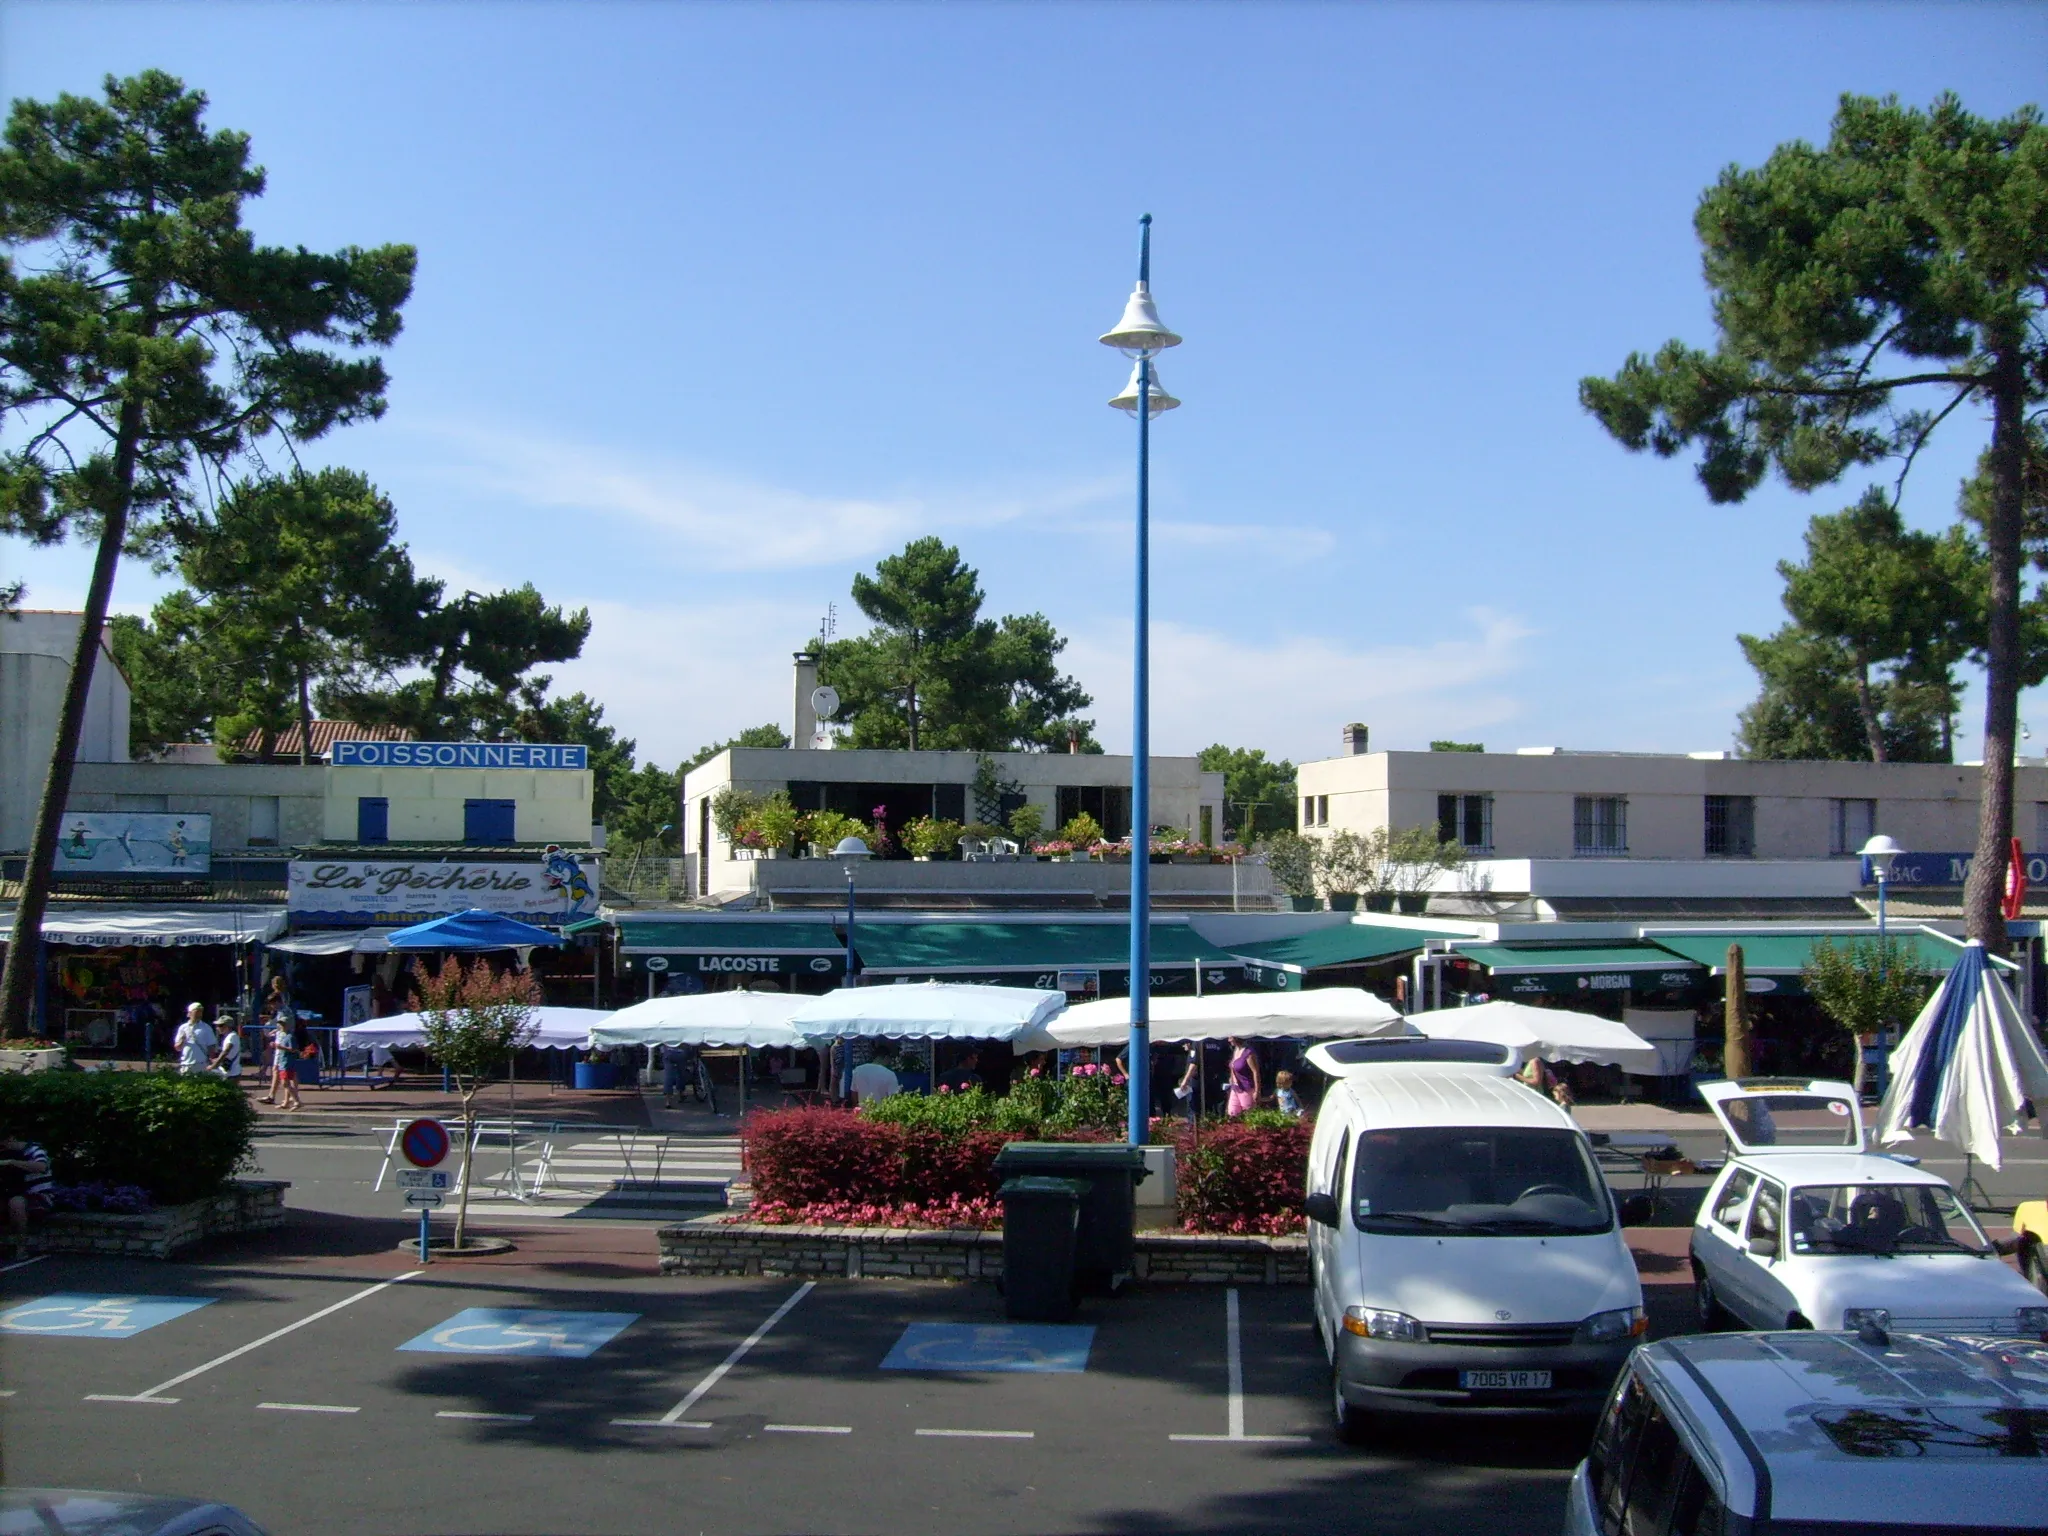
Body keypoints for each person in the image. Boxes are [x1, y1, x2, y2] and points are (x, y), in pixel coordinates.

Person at [0, 1132, 53, 1258]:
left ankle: (21, 1245)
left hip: (39, 1195)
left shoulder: (34, 1150)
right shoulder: (6, 1153)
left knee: (16, 1203)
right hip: (13, 1193)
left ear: (11, 1139)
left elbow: (41, 1166)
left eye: (3, 1144)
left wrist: (11, 1162)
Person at [264, 1007, 303, 1110]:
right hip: (283, 1061)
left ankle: (297, 1101)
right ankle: (289, 1101)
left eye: (282, 1024)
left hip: (287, 1063)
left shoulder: (290, 1036)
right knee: (285, 1083)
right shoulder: (283, 1035)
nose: (280, 1026)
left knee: (285, 1083)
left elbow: (293, 1049)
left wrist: (279, 1046)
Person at [173, 1002, 217, 1077]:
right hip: (186, 1064)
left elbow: (211, 1046)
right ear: (189, 1013)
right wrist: (182, 1040)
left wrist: (211, 1061)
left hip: (201, 1064)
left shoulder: (206, 1028)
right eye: (197, 1011)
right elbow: (177, 1048)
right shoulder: (183, 1028)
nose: (199, 1014)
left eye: (201, 1012)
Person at [1225, 1037, 1260, 1117]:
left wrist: (1257, 1091)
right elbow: (1233, 1066)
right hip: (1235, 1088)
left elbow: (1255, 1072)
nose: (1229, 1040)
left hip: (1246, 1089)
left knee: (1248, 1115)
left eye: (1231, 1038)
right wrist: (1231, 1078)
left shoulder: (1248, 1052)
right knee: (1232, 1113)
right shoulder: (1236, 1050)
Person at [209, 1011, 243, 1079]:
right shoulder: (231, 1036)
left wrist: (214, 1065)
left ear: (227, 1026)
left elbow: (226, 1052)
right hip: (231, 1072)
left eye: (220, 1025)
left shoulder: (231, 1037)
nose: (217, 1028)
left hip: (232, 1073)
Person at [1172, 1044, 1200, 1122]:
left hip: (1193, 1082)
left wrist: (1185, 1080)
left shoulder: (1195, 1048)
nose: (1183, 1046)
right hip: (1193, 1081)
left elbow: (1193, 1064)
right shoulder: (1192, 1051)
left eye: (1185, 1043)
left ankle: (1192, 1126)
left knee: (1193, 1107)